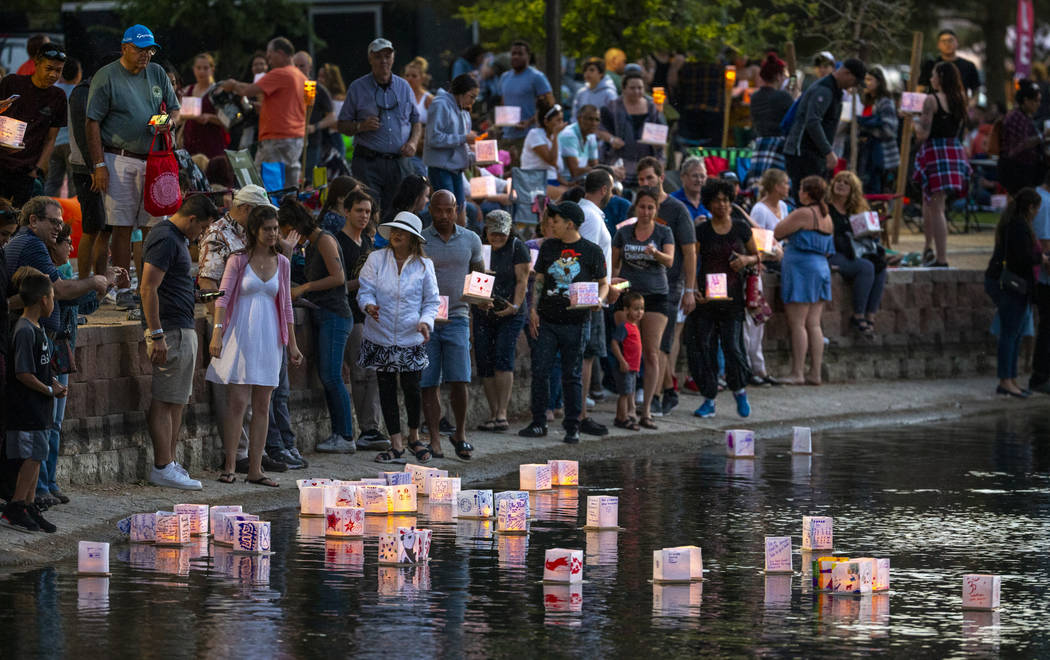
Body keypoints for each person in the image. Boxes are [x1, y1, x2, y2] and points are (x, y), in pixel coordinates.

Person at [198, 184, 293, 472]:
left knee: (265, 400)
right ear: (250, 213)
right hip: (232, 323)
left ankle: (255, 461)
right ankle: (233, 459)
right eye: (268, 226)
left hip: (267, 331)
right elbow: (210, 284)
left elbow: (285, 300)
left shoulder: (276, 257)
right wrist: (217, 326)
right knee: (235, 399)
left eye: (274, 228)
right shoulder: (220, 236)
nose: (272, 232)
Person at [87, 25, 180, 310]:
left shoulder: (157, 72)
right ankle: (125, 287)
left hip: (154, 157)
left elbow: (175, 109)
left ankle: (151, 286)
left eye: (150, 49)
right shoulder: (107, 76)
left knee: (155, 224)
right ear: (124, 47)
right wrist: (99, 163)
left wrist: (168, 122)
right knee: (122, 225)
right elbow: (92, 122)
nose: (146, 55)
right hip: (119, 157)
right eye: (140, 49)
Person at [140, 195, 220, 489]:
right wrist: (156, 333)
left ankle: (169, 462)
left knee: (176, 400)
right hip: (170, 330)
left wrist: (198, 296)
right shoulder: (166, 238)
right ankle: (162, 465)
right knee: (165, 400)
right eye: (201, 230)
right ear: (192, 220)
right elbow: (148, 288)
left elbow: (171, 284)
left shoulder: (175, 239)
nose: (200, 236)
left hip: (181, 326)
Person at [519, 201, 608, 443]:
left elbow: (604, 282)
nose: (550, 224)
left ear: (570, 224)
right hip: (547, 319)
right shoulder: (548, 247)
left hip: (577, 321)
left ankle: (572, 426)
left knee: (572, 374)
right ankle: (538, 422)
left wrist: (599, 299)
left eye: (555, 221)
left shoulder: (592, 251)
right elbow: (540, 279)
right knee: (540, 371)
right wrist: (533, 309)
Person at [357, 211, 440, 463]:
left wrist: (426, 322)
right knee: (386, 388)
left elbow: (432, 301)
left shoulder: (425, 266)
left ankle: (414, 437)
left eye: (402, 232)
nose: (396, 235)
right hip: (380, 334)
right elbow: (365, 291)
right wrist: (368, 306)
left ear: (413, 238)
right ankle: (396, 443)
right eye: (394, 230)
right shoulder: (376, 259)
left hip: (411, 336)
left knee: (412, 388)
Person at [283, 199, 355, 453]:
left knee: (332, 375)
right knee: (328, 375)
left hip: (335, 315)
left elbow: (338, 277)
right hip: (323, 314)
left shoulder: (323, 240)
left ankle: (345, 435)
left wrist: (305, 288)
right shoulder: (312, 244)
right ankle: (340, 433)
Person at [687, 178, 760, 418]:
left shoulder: (741, 227)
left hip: (733, 299)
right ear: (708, 203)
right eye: (717, 200)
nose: (723, 204)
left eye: (727, 200)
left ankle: (740, 391)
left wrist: (745, 260)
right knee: (704, 348)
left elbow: (757, 256)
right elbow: (692, 262)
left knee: (733, 347)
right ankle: (709, 399)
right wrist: (693, 289)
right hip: (706, 300)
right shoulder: (702, 230)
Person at [420, 190, 484, 460]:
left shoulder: (471, 239)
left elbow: (480, 273)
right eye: (439, 210)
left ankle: (460, 433)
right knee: (428, 381)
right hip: (427, 319)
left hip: (458, 316)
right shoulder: (421, 239)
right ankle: (434, 437)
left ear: (458, 209)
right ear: (431, 209)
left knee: (460, 379)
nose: (444, 216)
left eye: (450, 210)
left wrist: (482, 298)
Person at [1, 267, 63, 531]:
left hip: (41, 409)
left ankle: (29, 503)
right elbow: (23, 372)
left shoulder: (37, 328)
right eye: (53, 297)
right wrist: (49, 391)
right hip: (27, 408)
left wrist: (52, 384)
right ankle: (16, 505)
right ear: (44, 300)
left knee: (38, 453)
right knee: (30, 456)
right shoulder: (24, 330)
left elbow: (41, 368)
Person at [634, 157, 696, 416]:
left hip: (669, 285)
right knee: (639, 344)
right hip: (638, 285)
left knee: (660, 345)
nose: (645, 183)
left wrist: (690, 290)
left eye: (649, 178)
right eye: (640, 180)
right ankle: (651, 392)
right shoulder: (637, 206)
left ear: (661, 178)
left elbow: (690, 251)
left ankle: (656, 397)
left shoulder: (677, 209)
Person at [611, 188, 674, 427]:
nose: (646, 212)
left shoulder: (663, 232)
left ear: (656, 209)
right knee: (626, 352)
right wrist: (611, 289)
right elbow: (615, 266)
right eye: (642, 207)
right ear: (635, 208)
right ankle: (626, 411)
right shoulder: (624, 232)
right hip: (627, 294)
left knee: (650, 353)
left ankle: (647, 408)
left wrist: (655, 253)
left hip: (655, 295)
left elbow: (670, 260)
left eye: (650, 207)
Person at [337, 38, 423, 214]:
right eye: (378, 57)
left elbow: (416, 121)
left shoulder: (404, 86)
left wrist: (413, 143)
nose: (383, 60)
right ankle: (370, 241)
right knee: (369, 211)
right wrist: (361, 126)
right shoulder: (357, 87)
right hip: (368, 162)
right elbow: (341, 125)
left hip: (399, 162)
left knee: (400, 212)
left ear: (393, 58)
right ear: (370, 59)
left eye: (387, 56)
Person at [333, 188, 389, 450]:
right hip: (350, 314)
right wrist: (366, 282)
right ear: (347, 211)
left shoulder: (368, 242)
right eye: (359, 210)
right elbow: (338, 284)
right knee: (360, 373)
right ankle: (366, 428)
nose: (364, 216)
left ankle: (372, 427)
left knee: (374, 373)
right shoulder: (338, 243)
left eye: (368, 211)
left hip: (371, 316)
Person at [219, 37, 307, 187]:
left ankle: (270, 210)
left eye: (270, 55)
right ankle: (289, 208)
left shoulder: (280, 73)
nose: (269, 60)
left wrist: (232, 85)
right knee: (289, 185)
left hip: (276, 139)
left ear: (280, 53)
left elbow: (248, 90)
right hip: (295, 138)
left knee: (264, 184)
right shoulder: (301, 76)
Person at [774, 175, 835, 385]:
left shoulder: (803, 213)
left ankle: (797, 372)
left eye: (800, 188)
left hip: (801, 269)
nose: (797, 191)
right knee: (814, 323)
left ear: (807, 193)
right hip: (821, 268)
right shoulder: (827, 216)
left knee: (798, 323)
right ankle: (815, 373)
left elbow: (777, 232)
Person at [474, 210, 529, 432]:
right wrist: (479, 301)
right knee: (484, 359)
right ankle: (493, 411)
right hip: (484, 309)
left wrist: (514, 307)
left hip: (510, 310)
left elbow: (522, 281)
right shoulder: (480, 246)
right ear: (486, 231)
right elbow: (476, 278)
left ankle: (502, 413)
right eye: (493, 234)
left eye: (501, 234)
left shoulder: (517, 247)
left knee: (503, 357)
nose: (497, 238)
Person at [985, 188, 1044, 398]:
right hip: (1012, 286)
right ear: (1031, 207)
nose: (1038, 213)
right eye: (1037, 208)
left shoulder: (1013, 223)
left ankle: (1011, 379)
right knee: (1010, 335)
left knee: (1015, 333)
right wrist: (1042, 259)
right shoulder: (1019, 226)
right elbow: (1022, 258)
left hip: (1013, 285)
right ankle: (1005, 381)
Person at [912, 61, 970, 268]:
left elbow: (922, 134)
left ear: (942, 77)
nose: (931, 79)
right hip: (953, 150)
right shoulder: (961, 99)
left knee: (936, 207)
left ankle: (941, 258)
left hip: (935, 152)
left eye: (934, 75)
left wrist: (910, 119)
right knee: (930, 202)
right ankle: (928, 249)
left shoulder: (931, 100)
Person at [782, 58, 865, 195]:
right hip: (803, 152)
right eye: (854, 81)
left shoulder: (834, 90)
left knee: (813, 198)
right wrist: (828, 151)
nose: (853, 86)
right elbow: (813, 122)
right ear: (847, 73)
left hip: (812, 153)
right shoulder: (824, 90)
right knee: (807, 197)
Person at [0, 42, 68, 206]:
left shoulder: (58, 96)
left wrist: (38, 169)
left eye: (58, 71)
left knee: (22, 221)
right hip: (2, 163)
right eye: (49, 68)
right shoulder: (12, 83)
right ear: (36, 64)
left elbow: (51, 138)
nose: (53, 74)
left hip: (27, 171)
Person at [576, 171, 614, 435]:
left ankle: (579, 412)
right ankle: (580, 414)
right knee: (586, 355)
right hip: (589, 298)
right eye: (611, 189)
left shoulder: (590, 213)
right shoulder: (589, 216)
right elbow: (584, 256)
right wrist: (595, 295)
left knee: (587, 355)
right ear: (603, 189)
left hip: (595, 294)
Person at [826, 171, 886, 335]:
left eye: (846, 183)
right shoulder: (826, 208)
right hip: (834, 253)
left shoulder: (857, 210)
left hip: (855, 251)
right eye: (838, 181)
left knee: (880, 267)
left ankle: (870, 315)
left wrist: (871, 233)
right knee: (866, 267)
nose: (841, 184)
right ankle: (858, 315)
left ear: (852, 189)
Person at [745, 168, 788, 385]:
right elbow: (755, 241)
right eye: (785, 183)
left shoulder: (784, 206)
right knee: (751, 323)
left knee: (758, 324)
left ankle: (758, 367)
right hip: (761, 266)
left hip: (779, 261)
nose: (788, 187)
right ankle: (751, 368)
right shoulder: (759, 210)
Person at [424, 73, 479, 216]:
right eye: (471, 96)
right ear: (461, 92)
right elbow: (434, 138)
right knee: (447, 212)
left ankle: (458, 238)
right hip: (441, 168)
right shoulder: (440, 104)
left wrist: (476, 157)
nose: (473, 102)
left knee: (460, 210)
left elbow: (462, 144)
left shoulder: (463, 109)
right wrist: (464, 138)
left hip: (457, 169)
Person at [600, 71, 666, 187]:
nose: (637, 91)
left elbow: (661, 132)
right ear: (624, 89)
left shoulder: (652, 107)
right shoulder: (612, 107)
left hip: (647, 162)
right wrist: (611, 139)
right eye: (632, 88)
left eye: (640, 88)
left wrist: (658, 143)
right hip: (620, 160)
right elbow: (599, 129)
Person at [497, 40, 555, 160]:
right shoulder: (505, 77)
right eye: (513, 53)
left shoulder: (537, 77)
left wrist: (529, 121)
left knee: (522, 174)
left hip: (528, 136)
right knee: (504, 175)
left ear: (528, 56)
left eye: (520, 53)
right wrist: (499, 126)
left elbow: (550, 104)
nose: (516, 56)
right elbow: (504, 103)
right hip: (507, 136)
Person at [747, 53, 793, 186]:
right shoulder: (783, 96)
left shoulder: (755, 97)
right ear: (778, 76)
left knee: (759, 183)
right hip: (778, 144)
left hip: (760, 141)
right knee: (776, 184)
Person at [292, 50, 336, 177]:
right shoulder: (288, 88)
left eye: (302, 66)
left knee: (308, 179)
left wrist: (314, 127)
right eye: (295, 66)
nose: (298, 69)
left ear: (310, 68)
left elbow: (332, 116)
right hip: (291, 142)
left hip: (312, 144)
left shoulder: (315, 88)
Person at [998, 79, 1045, 196]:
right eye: (1036, 101)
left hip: (1024, 170)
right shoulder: (1016, 117)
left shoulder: (1024, 117)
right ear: (1026, 101)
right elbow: (1021, 144)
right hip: (1016, 171)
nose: (1038, 104)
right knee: (1020, 206)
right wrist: (1043, 137)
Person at [856, 67, 900, 194]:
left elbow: (889, 130)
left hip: (883, 157)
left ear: (879, 82)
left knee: (878, 192)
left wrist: (869, 129)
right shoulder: (866, 101)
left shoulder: (885, 102)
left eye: (870, 79)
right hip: (866, 154)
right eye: (865, 80)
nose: (867, 83)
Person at [43, 57, 82, 198]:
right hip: (73, 145)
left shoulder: (52, 91)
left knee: (52, 182)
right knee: (74, 183)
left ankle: (46, 211)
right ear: (78, 74)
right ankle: (74, 215)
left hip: (53, 142)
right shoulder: (79, 92)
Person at [178, 53, 227, 159]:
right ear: (194, 69)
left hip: (212, 144)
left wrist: (209, 117)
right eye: (198, 68)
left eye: (205, 68)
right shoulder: (188, 90)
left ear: (212, 69)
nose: (202, 72)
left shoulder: (217, 91)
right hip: (191, 143)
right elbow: (178, 115)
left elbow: (226, 120)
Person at [610, 291, 644, 430]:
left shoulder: (634, 326)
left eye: (641, 309)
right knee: (624, 394)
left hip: (633, 367)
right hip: (626, 367)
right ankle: (623, 418)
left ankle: (620, 417)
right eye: (636, 309)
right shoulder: (624, 327)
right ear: (626, 310)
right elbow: (614, 343)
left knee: (627, 392)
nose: (639, 312)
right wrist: (622, 361)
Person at [1030, 171, 1050, 393]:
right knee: (1047, 327)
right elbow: (1045, 244)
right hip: (1043, 278)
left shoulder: (1038, 197)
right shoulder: (1045, 204)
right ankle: (1040, 375)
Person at [918, 29, 981, 99]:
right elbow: (920, 88)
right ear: (938, 45)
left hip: (959, 107)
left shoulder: (968, 66)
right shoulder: (930, 65)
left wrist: (969, 105)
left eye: (950, 40)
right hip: (935, 107)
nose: (947, 44)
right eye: (943, 41)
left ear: (957, 43)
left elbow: (976, 91)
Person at [558, 104, 601, 182]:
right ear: (579, 119)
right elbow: (575, 171)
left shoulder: (591, 136)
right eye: (590, 119)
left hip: (581, 181)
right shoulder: (569, 135)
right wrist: (604, 170)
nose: (594, 123)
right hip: (566, 182)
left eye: (597, 120)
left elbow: (595, 165)